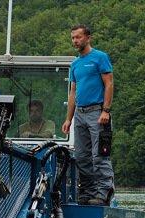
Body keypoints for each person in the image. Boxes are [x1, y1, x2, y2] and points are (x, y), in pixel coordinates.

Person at [61, 24, 114, 206]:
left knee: (100, 154)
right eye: (73, 38)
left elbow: (109, 84)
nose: (75, 41)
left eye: (78, 37)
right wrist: (69, 118)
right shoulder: (75, 64)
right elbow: (73, 92)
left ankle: (105, 192)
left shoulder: (100, 57)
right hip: (80, 115)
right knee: (82, 156)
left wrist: (105, 110)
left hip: (97, 112)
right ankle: (88, 192)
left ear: (88, 38)